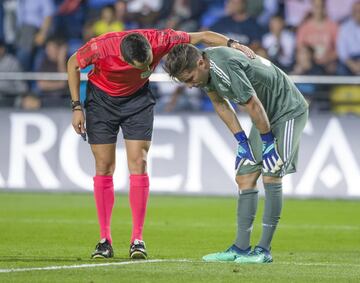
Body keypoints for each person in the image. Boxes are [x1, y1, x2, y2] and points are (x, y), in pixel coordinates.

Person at [67, 28, 255, 260]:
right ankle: (105, 240)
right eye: (140, 66)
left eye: (148, 62)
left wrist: (234, 43)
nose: (146, 68)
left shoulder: (160, 39)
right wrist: (77, 107)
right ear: (123, 58)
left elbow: (203, 36)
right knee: (104, 166)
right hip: (101, 101)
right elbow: (73, 63)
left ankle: (138, 239)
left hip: (137, 100)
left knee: (139, 162)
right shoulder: (101, 46)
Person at [163, 44, 309, 264]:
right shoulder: (205, 72)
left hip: (287, 110)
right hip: (264, 114)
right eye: (185, 81)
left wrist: (268, 141)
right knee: (245, 176)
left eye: (190, 78)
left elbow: (252, 104)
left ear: (200, 63)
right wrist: (241, 141)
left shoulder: (224, 66)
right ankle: (241, 248)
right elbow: (220, 104)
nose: (190, 85)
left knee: (272, 172)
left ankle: (263, 250)